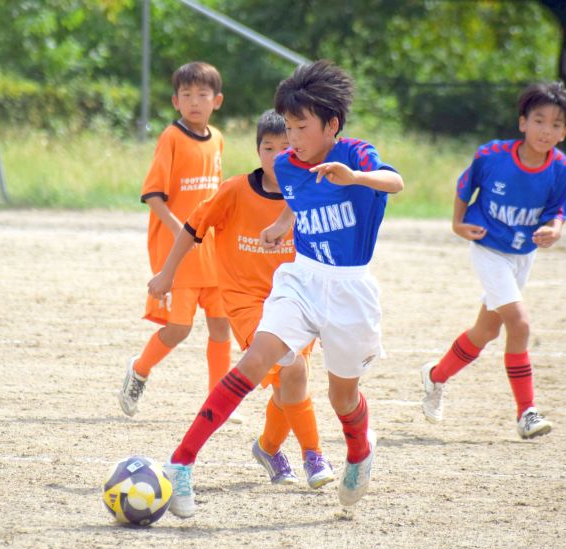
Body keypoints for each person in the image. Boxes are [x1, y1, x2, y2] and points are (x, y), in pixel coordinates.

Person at [159, 60, 404, 518]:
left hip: (350, 289)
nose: (291, 138)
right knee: (256, 360)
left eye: (301, 127)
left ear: (331, 125)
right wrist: (282, 222)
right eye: (288, 126)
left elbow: (396, 181)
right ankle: (181, 462)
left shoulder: (356, 154)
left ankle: (358, 451)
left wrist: (356, 178)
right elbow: (299, 198)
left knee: (342, 397)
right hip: (301, 279)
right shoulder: (289, 165)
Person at [148, 110, 334, 489]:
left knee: (289, 382)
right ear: (257, 150)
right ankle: (313, 454)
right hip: (247, 303)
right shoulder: (235, 191)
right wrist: (167, 273)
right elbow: (192, 227)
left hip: (296, 301)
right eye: (269, 148)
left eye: (286, 148)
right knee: (292, 368)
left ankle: (268, 448)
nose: (278, 156)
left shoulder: (308, 192)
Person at [419, 82, 566, 440]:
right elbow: (465, 186)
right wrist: (457, 223)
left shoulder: (562, 169)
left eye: (556, 124)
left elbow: (558, 210)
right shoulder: (492, 155)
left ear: (564, 132)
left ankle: (435, 376)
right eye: (539, 120)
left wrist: (554, 229)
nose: (546, 130)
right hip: (489, 248)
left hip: (523, 254)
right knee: (519, 325)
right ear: (522, 122)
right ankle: (527, 413)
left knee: (487, 331)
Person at [119, 62, 234, 421]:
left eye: (202, 94)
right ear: (175, 101)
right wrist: (178, 231)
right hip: (178, 251)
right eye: (187, 94)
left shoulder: (217, 139)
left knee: (221, 325)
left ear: (217, 100)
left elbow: (215, 195)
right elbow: (153, 194)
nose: (194, 101)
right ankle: (139, 370)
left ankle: (217, 402)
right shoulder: (171, 137)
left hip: (212, 250)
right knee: (179, 329)